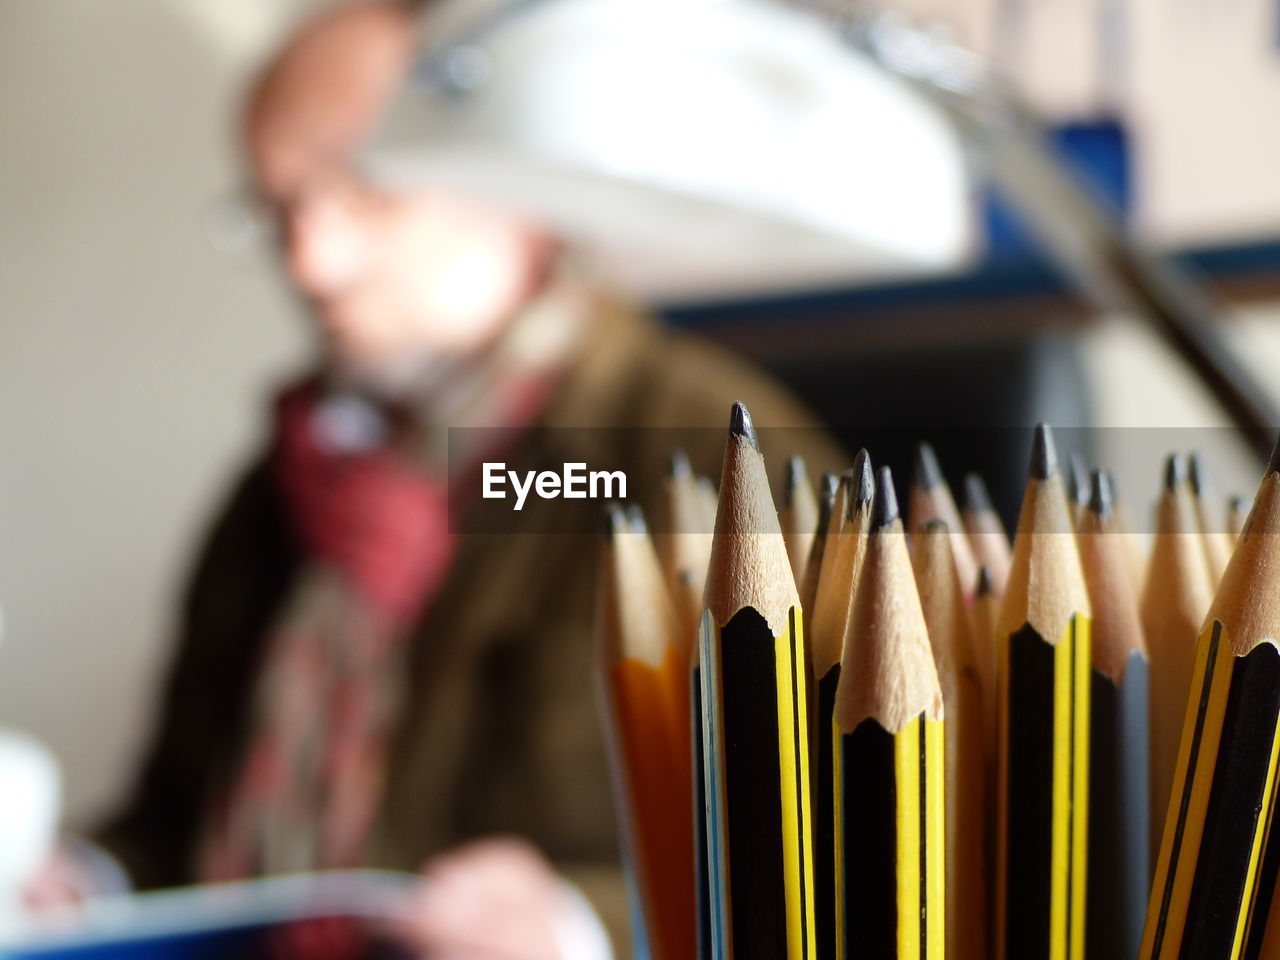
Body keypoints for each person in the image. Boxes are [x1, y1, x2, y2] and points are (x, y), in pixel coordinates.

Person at [86, 1, 844, 957]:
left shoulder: (715, 460)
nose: (312, 262)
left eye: (363, 190)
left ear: (508, 175)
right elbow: (171, 822)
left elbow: (859, 841)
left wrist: (581, 929)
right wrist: (87, 880)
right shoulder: (283, 481)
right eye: (278, 212)